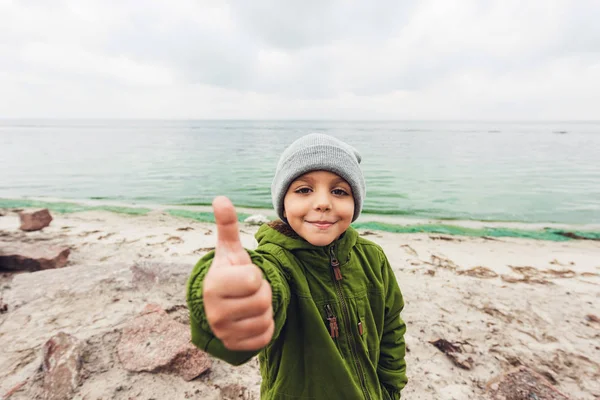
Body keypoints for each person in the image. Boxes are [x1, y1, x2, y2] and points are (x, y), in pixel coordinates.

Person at [187, 133, 407, 399]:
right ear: (283, 202)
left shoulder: (373, 259)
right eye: (304, 190)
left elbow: (392, 327)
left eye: (339, 191)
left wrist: (391, 389)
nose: (323, 203)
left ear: (355, 202)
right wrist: (232, 303)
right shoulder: (277, 263)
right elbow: (263, 290)